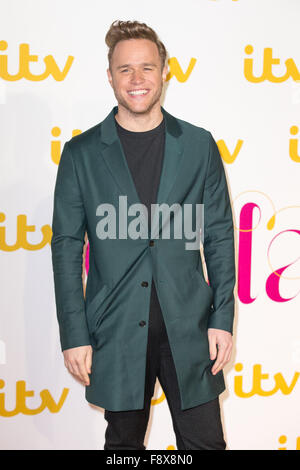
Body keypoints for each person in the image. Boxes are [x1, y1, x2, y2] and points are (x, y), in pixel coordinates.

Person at [51, 20, 236, 450]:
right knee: (124, 448)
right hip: (115, 327)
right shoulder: (80, 154)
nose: (137, 80)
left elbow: (220, 237)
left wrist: (221, 318)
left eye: (147, 68)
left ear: (165, 71)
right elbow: (65, 249)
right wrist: (74, 333)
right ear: (110, 76)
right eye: (125, 70)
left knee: (206, 444)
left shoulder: (199, 145)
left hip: (189, 326)